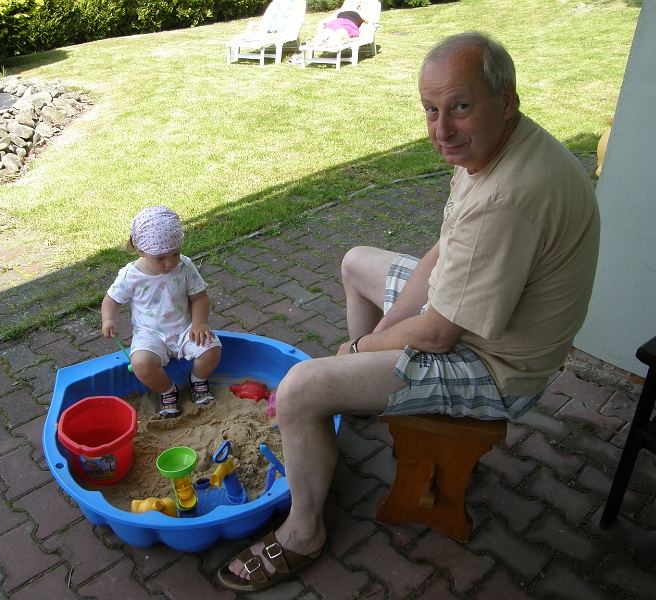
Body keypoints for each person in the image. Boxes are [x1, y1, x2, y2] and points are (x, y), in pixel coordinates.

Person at [217, 31, 600, 593]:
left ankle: (303, 532)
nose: (442, 130)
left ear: (506, 100)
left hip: (497, 367)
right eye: (431, 110)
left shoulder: (508, 198)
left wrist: (357, 350)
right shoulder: (492, 147)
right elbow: (445, 251)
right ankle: (356, 395)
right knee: (356, 264)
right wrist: (377, 337)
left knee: (299, 388)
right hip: (473, 317)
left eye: (460, 107)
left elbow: (441, 333)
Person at [101, 205, 222, 418]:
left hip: (185, 328)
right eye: (160, 258)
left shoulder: (184, 266)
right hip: (150, 333)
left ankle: (198, 381)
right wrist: (108, 319)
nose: (169, 263)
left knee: (212, 350)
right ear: (141, 251)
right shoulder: (131, 275)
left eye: (175, 254)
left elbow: (199, 296)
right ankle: (168, 392)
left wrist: (199, 323)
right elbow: (112, 299)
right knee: (140, 364)